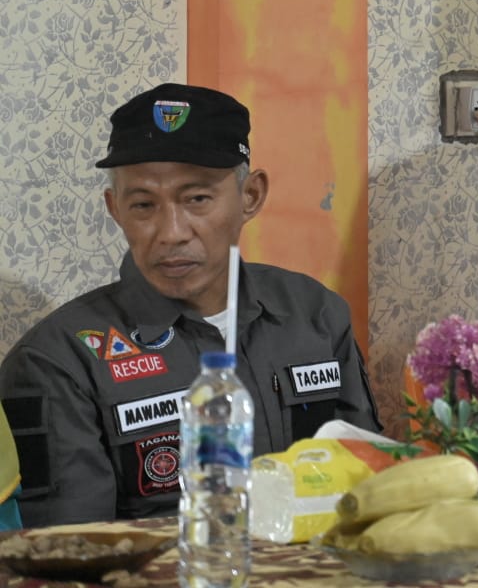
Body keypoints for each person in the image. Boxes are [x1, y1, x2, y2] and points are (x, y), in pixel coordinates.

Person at [0, 83, 379, 526]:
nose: (172, 232)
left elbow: (369, 483)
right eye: (143, 204)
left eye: (196, 199)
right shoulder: (59, 359)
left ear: (251, 196)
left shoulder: (313, 313)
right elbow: (76, 552)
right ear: (115, 209)